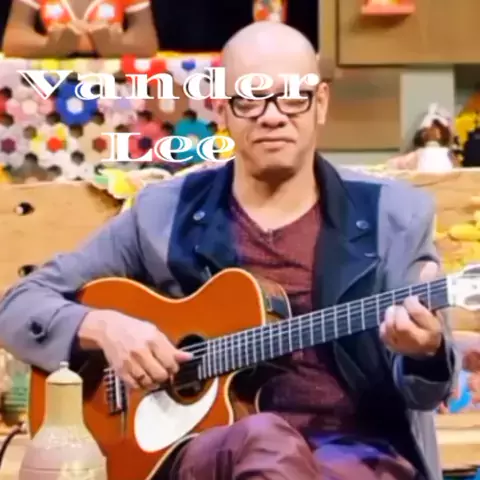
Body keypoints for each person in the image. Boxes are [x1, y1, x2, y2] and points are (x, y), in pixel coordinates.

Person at [0, 22, 457, 480]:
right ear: (222, 109)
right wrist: (105, 327)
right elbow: (18, 306)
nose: (272, 116)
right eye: (250, 98)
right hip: (211, 450)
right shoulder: (163, 214)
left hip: (356, 452)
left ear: (320, 103)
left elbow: (426, 393)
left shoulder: (393, 217)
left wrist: (425, 352)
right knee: (265, 439)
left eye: (292, 97)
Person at [3, 0, 158, 58]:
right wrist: (50, 46)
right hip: (51, 84)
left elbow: (147, 41)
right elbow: (13, 40)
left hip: (112, 86)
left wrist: (113, 46)